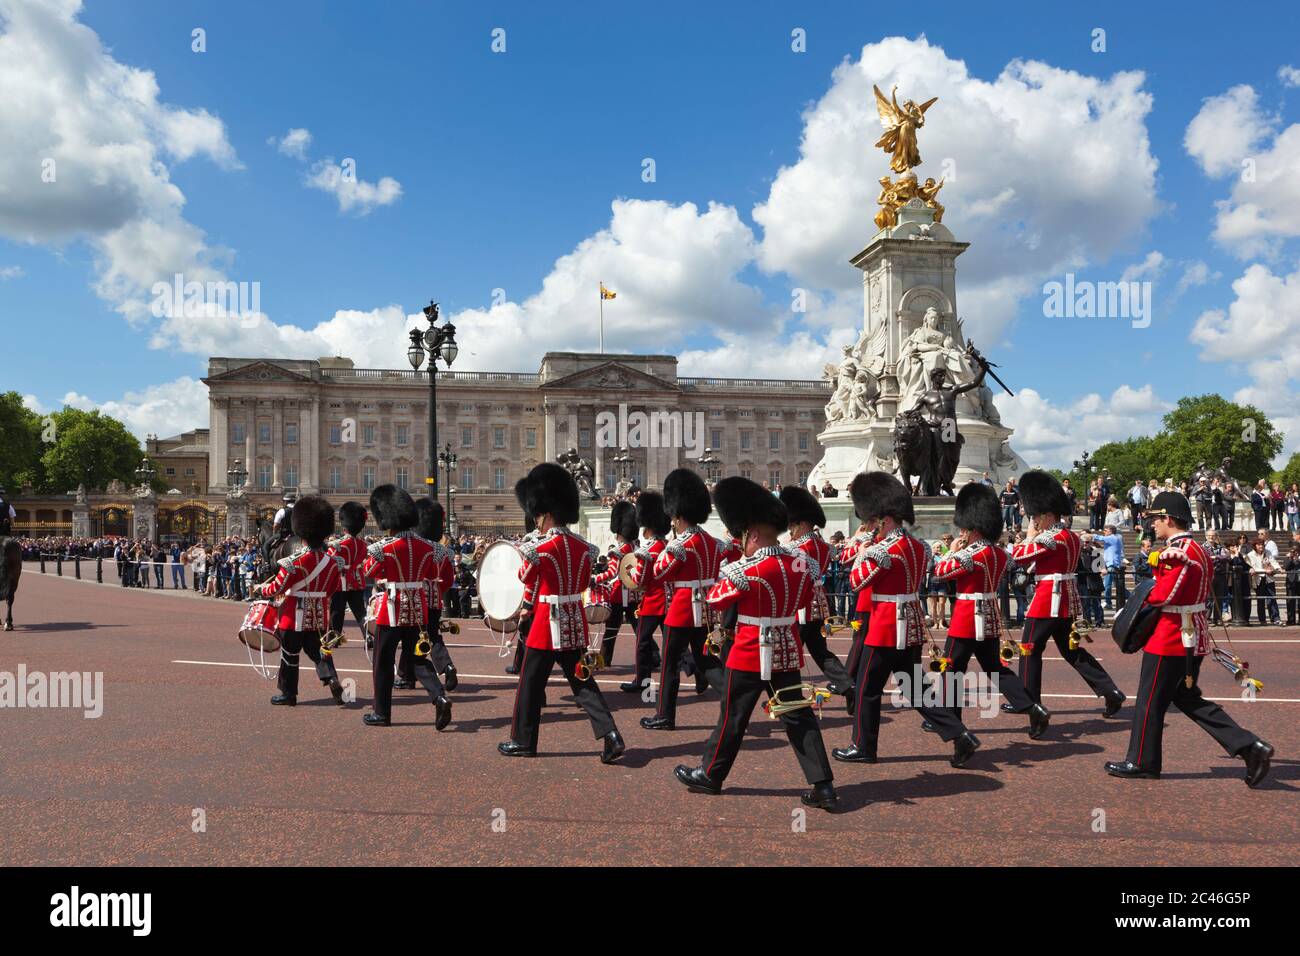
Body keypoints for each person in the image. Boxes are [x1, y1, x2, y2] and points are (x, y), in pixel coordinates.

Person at [673, 476, 839, 810]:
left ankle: (710, 774)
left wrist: (726, 571)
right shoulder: (802, 565)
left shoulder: (745, 569)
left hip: (749, 651)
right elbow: (807, 597)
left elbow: (716, 600)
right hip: (787, 651)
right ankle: (823, 786)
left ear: (751, 534)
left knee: (733, 717)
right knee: (798, 717)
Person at [1105, 492, 1273, 785]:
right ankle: (1249, 747)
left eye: (1156, 519)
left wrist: (1154, 572)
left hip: (1170, 637)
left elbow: (1162, 595)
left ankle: (1142, 761)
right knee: (1185, 697)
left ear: (1168, 519)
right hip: (1191, 636)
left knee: (1148, 701)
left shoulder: (1179, 551)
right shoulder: (1197, 548)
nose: (1153, 526)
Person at [833, 471, 981, 768]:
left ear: (885, 519)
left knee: (866, 688)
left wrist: (862, 552)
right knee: (916, 689)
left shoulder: (882, 549)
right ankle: (960, 734)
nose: (873, 525)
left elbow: (856, 582)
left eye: (875, 521)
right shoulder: (919, 547)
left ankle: (863, 746)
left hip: (885, 626)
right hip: (910, 624)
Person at [498, 463, 625, 763]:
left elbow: (525, 577)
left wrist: (524, 555)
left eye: (539, 514)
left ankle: (523, 741)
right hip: (573, 621)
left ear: (547, 512)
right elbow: (583, 583)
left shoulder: (540, 546)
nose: (537, 519)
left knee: (530, 683)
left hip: (545, 622)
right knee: (582, 681)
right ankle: (610, 734)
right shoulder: (584, 547)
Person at [930, 483, 1050, 737]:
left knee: (951, 669)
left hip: (966, 616)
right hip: (989, 616)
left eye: (964, 528)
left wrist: (950, 553)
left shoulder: (970, 554)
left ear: (973, 529)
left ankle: (950, 722)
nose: (960, 532)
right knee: (995, 668)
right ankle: (1032, 707)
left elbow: (940, 573)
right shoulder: (997, 553)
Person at [1009, 470, 1126, 717]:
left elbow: (1018, 556)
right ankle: (1110, 690)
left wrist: (1030, 535)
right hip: (1067, 601)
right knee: (1072, 651)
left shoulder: (1052, 537)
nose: (1035, 520)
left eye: (1038, 516)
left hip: (1048, 599)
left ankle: (1030, 704)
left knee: (1029, 649)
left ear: (1048, 514)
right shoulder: (1069, 536)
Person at [636, 470, 726, 730]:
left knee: (670, 663)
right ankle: (733, 700)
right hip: (707, 608)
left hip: (683, 608)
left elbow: (660, 573)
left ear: (677, 516)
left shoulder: (680, 545)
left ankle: (664, 714)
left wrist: (652, 555)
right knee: (706, 659)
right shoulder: (712, 542)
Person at [361, 485, 452, 730]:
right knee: (419, 660)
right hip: (418, 608)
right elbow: (433, 574)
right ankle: (439, 696)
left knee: (383, 662)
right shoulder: (430, 547)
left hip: (390, 610)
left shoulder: (384, 548)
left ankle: (382, 713)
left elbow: (368, 572)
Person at [259, 495, 346, 707]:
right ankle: (331, 678)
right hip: (318, 618)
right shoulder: (333, 562)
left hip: (292, 616)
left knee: (290, 655)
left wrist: (262, 589)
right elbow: (333, 589)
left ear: (302, 533)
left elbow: (276, 587)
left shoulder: (293, 562)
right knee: (318, 653)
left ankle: (288, 694)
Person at [780, 485, 852, 697]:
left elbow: (794, 579)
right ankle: (848, 686)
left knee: (790, 652)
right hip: (819, 604)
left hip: (801, 606)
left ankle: (789, 695)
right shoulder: (823, 546)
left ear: (802, 523)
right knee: (821, 652)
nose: (790, 528)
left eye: (793, 524)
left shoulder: (795, 548)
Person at [621, 492, 669, 693]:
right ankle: (696, 670)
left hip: (652, 601)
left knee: (642, 642)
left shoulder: (647, 550)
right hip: (668, 601)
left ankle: (642, 680)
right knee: (673, 642)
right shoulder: (667, 545)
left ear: (648, 528)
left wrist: (630, 571)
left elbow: (639, 581)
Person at [590, 500, 639, 670]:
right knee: (639, 627)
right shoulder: (637, 547)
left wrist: (595, 579)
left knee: (611, 628)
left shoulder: (617, 551)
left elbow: (611, 573)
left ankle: (604, 658)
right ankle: (653, 655)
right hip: (634, 593)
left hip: (619, 593)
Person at [327, 502, 371, 650]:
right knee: (360, 612)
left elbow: (329, 562)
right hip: (357, 581)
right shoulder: (363, 544)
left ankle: (334, 638)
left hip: (340, 581)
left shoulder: (338, 545)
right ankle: (369, 636)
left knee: (336, 612)